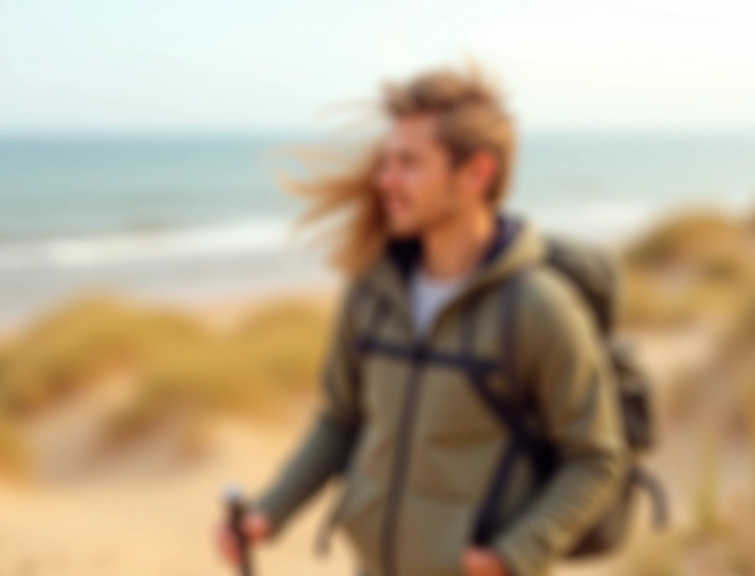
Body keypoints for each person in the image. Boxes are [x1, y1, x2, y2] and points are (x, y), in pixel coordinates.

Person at [215, 62, 628, 576]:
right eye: (387, 161)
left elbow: (595, 457)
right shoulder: (372, 294)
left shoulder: (538, 309)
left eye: (408, 163)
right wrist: (269, 512)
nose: (385, 180)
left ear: (476, 173)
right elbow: (341, 419)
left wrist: (512, 555)